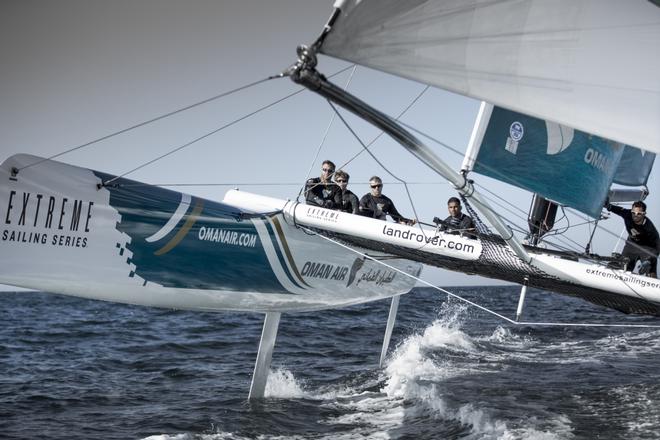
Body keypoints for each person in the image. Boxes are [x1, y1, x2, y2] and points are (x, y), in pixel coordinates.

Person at [606, 200, 659, 278]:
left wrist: (649, 260)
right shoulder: (627, 214)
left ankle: (653, 282)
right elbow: (618, 210)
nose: (635, 215)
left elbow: (657, 246)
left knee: (649, 269)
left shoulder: (649, 228)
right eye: (633, 212)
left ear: (644, 214)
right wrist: (608, 206)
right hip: (631, 245)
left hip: (648, 248)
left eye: (639, 213)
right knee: (624, 266)